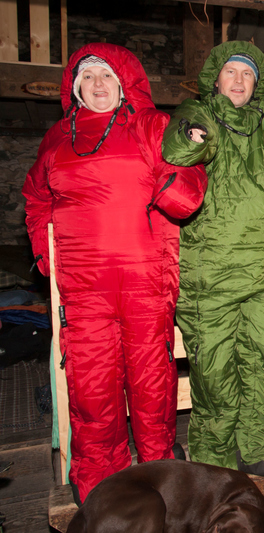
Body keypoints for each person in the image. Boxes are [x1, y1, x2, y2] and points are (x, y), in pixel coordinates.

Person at [22, 43, 208, 504]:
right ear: (75, 87)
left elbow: (188, 196)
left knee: (150, 380)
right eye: (88, 77)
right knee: (91, 384)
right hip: (83, 289)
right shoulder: (56, 140)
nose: (99, 85)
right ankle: (102, 480)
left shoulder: (151, 127)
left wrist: (164, 177)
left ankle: (157, 468)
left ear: (124, 83)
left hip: (145, 280)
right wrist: (46, 259)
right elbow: (35, 197)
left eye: (107, 75)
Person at [161, 41, 264, 478]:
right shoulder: (197, 114)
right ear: (216, 79)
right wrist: (194, 134)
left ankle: (257, 443)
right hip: (209, 274)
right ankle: (212, 460)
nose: (238, 81)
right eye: (231, 72)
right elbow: (181, 149)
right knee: (215, 370)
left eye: (247, 74)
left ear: (258, 84)